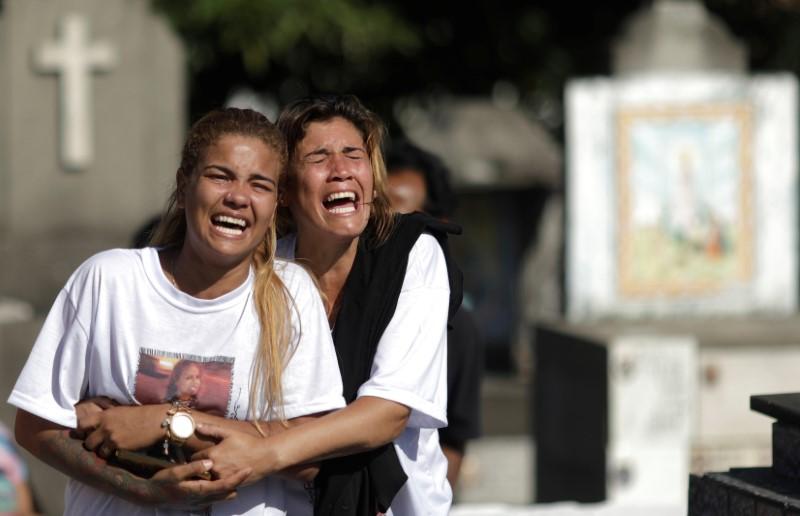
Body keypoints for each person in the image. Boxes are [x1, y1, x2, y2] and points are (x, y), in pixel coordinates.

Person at [8, 107, 345, 515]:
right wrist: (145, 491)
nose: (238, 197)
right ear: (185, 183)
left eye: (259, 184)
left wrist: (165, 422)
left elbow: (310, 455)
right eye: (220, 176)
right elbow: (36, 426)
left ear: (276, 203)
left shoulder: (292, 295)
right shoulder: (109, 280)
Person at [191, 94, 462, 516]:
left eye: (353, 154)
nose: (340, 171)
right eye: (318, 157)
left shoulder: (413, 254)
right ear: (283, 191)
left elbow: (386, 413)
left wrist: (259, 454)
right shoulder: (262, 269)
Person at [385, 140, 483, 489]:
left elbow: (453, 441)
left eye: (401, 217)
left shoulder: (458, 326)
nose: (382, 226)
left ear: (437, 227)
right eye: (376, 211)